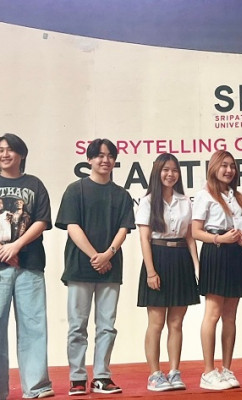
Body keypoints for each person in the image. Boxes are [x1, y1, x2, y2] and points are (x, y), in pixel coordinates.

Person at [56, 138, 135, 396]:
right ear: (89, 159)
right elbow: (72, 226)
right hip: (80, 267)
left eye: (110, 155)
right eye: (100, 155)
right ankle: (77, 378)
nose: (105, 160)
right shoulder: (75, 190)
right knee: (77, 326)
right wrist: (95, 256)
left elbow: (124, 229)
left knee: (107, 326)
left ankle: (101, 376)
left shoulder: (121, 195)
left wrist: (108, 254)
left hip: (111, 268)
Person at [136, 153, 200, 392]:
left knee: (176, 322)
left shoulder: (185, 201)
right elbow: (144, 238)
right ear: (157, 172)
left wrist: (197, 267)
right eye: (165, 170)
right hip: (158, 257)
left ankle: (174, 371)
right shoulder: (147, 201)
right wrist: (151, 271)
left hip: (181, 259)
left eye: (174, 170)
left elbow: (190, 237)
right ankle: (154, 374)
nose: (170, 174)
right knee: (156, 322)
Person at [192, 150, 242, 390]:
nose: (229, 170)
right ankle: (208, 371)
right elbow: (195, 232)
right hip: (215, 251)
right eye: (224, 165)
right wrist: (220, 239)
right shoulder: (204, 195)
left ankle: (227, 369)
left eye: (232, 166)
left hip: (236, 254)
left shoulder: (239, 197)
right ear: (214, 167)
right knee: (213, 313)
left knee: (230, 316)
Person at [0, 133, 54, 399]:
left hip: (30, 264)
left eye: (10, 149)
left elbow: (42, 220)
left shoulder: (34, 184)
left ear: (21, 154)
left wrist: (16, 246)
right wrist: (3, 250)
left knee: (33, 326)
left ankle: (36, 386)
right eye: (1, 150)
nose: (4, 154)